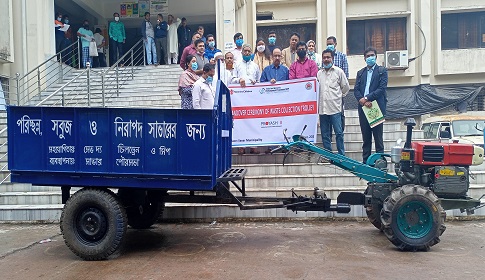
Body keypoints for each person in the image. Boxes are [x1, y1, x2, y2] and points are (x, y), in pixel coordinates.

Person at [354, 47, 388, 164]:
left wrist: (367, 98)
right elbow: (356, 90)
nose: (370, 58)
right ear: (364, 58)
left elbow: (382, 89)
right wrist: (362, 101)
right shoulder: (360, 73)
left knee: (378, 138)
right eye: (367, 56)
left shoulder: (382, 71)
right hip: (363, 107)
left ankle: (381, 164)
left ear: (376, 56)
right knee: (366, 138)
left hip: (376, 108)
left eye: (372, 55)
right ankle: (366, 163)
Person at [317, 49, 350, 155]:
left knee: (339, 133)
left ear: (332, 58)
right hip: (323, 109)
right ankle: (329, 155)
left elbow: (345, 87)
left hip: (335, 108)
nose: (326, 60)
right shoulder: (319, 73)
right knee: (325, 134)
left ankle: (341, 155)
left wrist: (338, 97)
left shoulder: (339, 72)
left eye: (328, 57)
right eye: (324, 58)